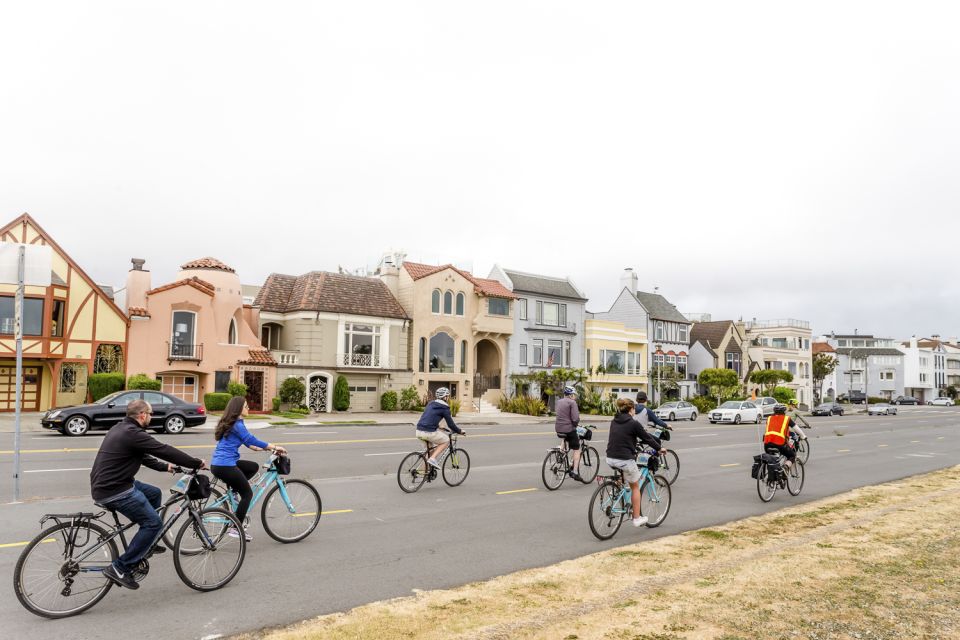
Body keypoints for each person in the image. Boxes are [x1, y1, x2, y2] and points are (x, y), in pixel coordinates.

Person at [89, 399, 206, 590]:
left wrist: (167, 468)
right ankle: (120, 568)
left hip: (109, 484)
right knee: (153, 523)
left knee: (153, 494)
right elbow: (163, 449)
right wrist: (195, 463)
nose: (151, 417)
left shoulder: (120, 428)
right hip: (116, 490)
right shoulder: (133, 433)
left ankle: (146, 542)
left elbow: (143, 456)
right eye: (150, 414)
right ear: (142, 414)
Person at [211, 396, 287, 542]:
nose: (248, 408)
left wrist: (263, 449)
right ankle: (236, 528)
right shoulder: (237, 425)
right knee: (247, 494)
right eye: (246, 406)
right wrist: (274, 446)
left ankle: (233, 491)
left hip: (219, 464)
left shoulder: (232, 423)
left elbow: (249, 444)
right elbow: (251, 439)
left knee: (252, 467)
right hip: (226, 465)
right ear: (238, 409)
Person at [605, 397, 666, 528]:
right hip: (624, 459)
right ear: (631, 409)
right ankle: (637, 518)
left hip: (610, 457)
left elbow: (621, 436)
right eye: (634, 410)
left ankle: (615, 492)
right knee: (635, 486)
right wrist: (659, 448)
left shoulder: (614, 421)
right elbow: (647, 438)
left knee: (624, 476)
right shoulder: (633, 423)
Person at [415, 387, 464, 468]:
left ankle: (421, 472)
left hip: (419, 431)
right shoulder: (445, 408)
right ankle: (433, 459)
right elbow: (451, 425)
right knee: (446, 440)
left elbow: (427, 417)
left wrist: (438, 426)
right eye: (448, 396)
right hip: (429, 432)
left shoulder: (430, 403)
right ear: (445, 397)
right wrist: (459, 431)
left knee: (431, 452)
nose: (448, 398)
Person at [554, 385, 582, 480]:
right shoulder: (572, 403)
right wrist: (576, 424)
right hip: (569, 429)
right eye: (574, 395)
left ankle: (560, 456)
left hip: (558, 428)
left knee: (565, 438)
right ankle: (575, 471)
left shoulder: (559, 401)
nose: (575, 397)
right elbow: (575, 418)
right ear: (570, 395)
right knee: (577, 449)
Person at [763, 403, 797, 469]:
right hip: (780, 443)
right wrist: (804, 436)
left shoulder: (769, 418)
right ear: (784, 411)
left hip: (766, 444)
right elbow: (797, 429)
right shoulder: (787, 418)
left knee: (772, 458)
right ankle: (786, 467)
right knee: (792, 455)